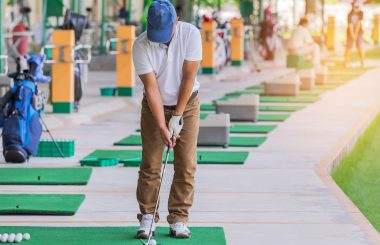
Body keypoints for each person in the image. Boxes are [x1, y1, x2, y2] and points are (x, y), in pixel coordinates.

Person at [132, 0, 201, 240]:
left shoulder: (191, 34)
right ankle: (148, 216)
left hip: (188, 102)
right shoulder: (141, 45)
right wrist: (163, 125)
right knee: (151, 162)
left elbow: (188, 78)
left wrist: (178, 116)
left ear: (176, 22)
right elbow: (151, 88)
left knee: (185, 162)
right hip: (155, 106)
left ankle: (179, 218)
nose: (161, 39)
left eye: (166, 33)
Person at [344, 2, 365, 67]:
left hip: (359, 32)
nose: (356, 9)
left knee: (359, 46)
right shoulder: (349, 14)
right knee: (348, 47)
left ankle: (362, 61)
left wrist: (355, 34)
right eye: (355, 7)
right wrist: (353, 34)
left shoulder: (361, 13)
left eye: (357, 7)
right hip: (350, 32)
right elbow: (350, 25)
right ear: (352, 7)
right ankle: (346, 62)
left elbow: (359, 23)